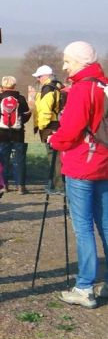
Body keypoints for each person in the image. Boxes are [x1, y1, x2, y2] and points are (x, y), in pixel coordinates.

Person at [48, 41, 108, 309]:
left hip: (83, 163)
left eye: (68, 61)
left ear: (81, 62)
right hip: (104, 162)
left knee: (83, 227)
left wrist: (55, 140)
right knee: (106, 223)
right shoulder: (104, 85)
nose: (64, 66)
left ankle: (84, 287)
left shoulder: (82, 89)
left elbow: (71, 129)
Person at [0, 75, 31, 194]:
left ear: (3, 85)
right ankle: (20, 186)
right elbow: (27, 115)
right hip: (18, 133)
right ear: (14, 85)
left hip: (2, 133)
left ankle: (4, 185)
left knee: (3, 159)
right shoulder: (21, 98)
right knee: (19, 159)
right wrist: (20, 122)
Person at [32, 64, 64, 194]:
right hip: (55, 124)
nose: (38, 79)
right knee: (56, 156)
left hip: (49, 126)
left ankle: (58, 186)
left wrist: (42, 126)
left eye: (39, 76)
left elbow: (45, 109)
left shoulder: (47, 88)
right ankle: (58, 184)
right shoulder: (55, 86)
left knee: (54, 157)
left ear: (45, 76)